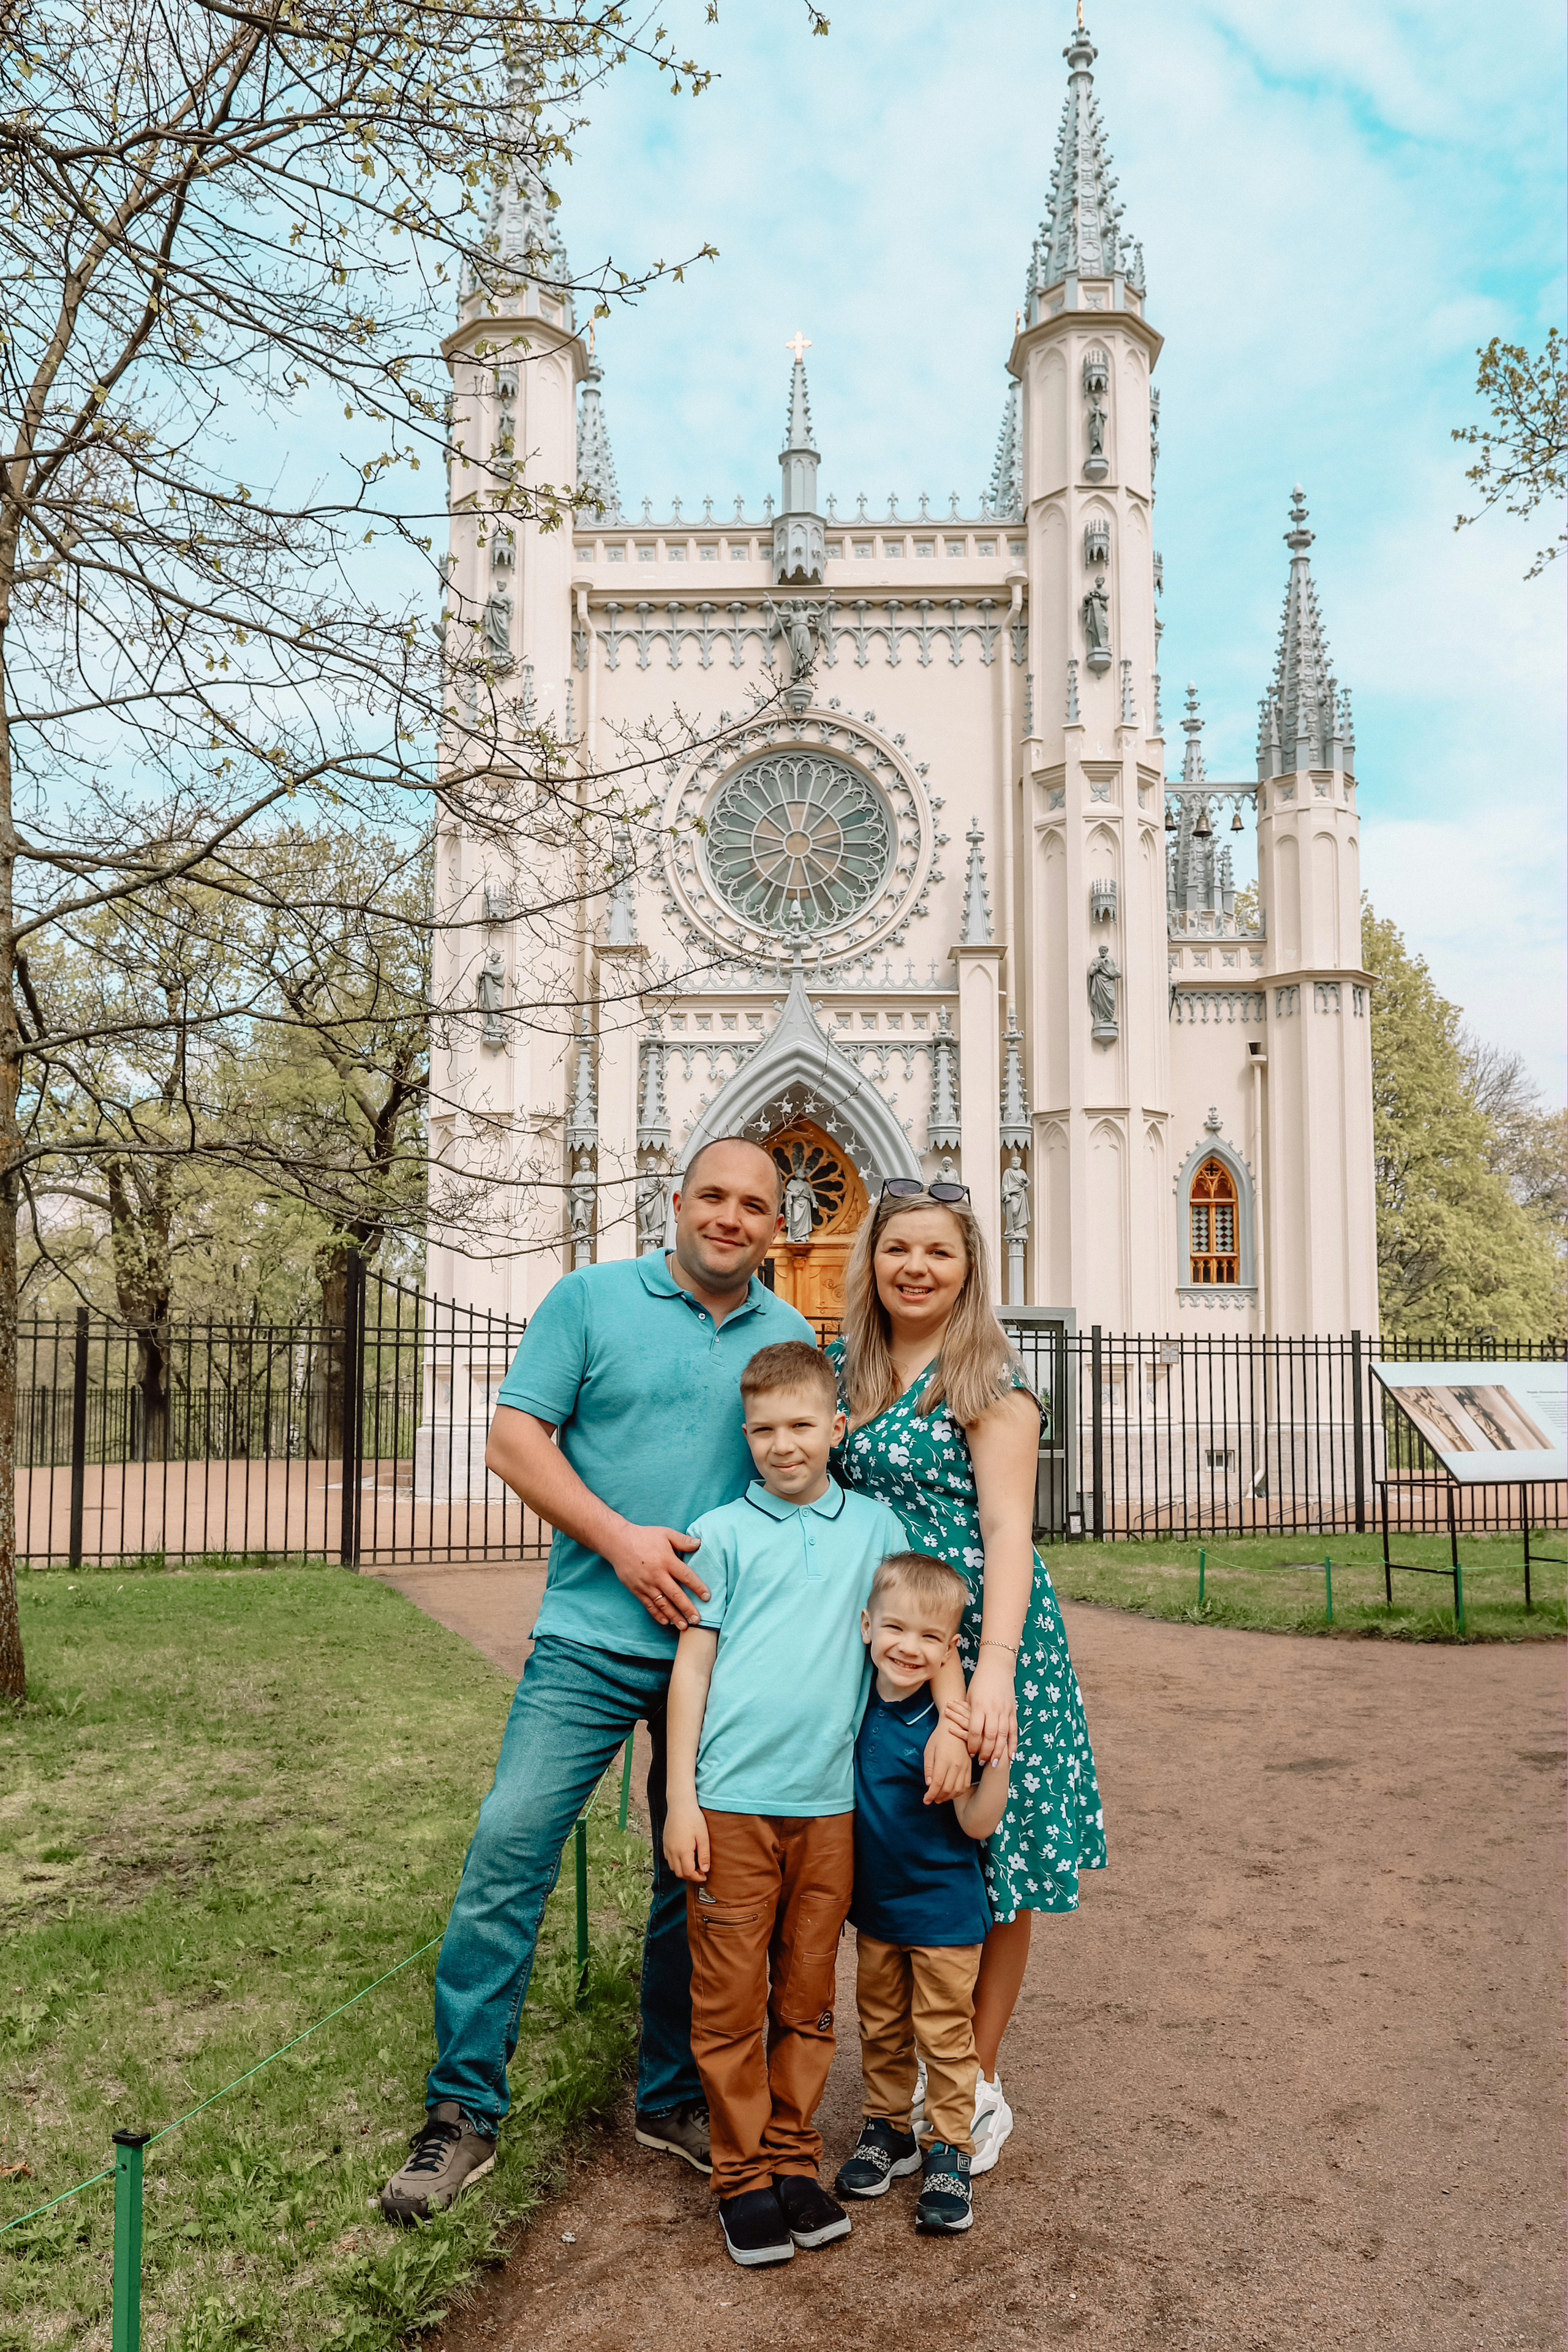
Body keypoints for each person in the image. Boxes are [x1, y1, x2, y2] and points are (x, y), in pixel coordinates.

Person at [380, 1138, 814, 2224]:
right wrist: (620, 1542)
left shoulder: (793, 1335)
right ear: (676, 1202)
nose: (730, 1217)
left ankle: (669, 2096)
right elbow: (512, 1442)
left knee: (696, 1884)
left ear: (777, 1226)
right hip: (586, 1638)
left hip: (717, 1662)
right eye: (713, 1196)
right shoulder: (588, 1298)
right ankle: (463, 2114)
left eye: (754, 1206)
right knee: (510, 1845)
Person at [662, 1340, 968, 2271]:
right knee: (726, 2000)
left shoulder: (874, 1529)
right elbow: (694, 1667)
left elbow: (930, 1622)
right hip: (730, 1804)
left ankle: (796, 2158)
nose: (782, 1445)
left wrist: (954, 1719)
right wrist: (680, 1796)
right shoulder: (721, 1533)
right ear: (745, 1434)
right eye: (763, 1430)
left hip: (829, 1810)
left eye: (801, 1426)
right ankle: (741, 2177)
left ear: (837, 1427)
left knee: (806, 1994)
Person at [829, 1182, 1106, 2176]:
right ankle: (912, 2075)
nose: (916, 1267)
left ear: (968, 1267)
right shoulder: (841, 1376)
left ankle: (975, 2085)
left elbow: (1006, 1536)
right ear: (873, 1260)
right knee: (910, 1854)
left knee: (997, 1867)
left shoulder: (988, 1382)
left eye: (938, 1253)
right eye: (898, 1248)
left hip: (991, 1642)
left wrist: (991, 1677)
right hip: (893, 1655)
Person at [834, 1550, 1011, 2237]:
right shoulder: (853, 1700)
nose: (909, 1647)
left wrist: (996, 1754)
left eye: (930, 1638)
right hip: (876, 1911)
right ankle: (886, 2132)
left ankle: (948, 2152)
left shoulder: (952, 1729)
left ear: (951, 1650)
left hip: (943, 1914)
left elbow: (975, 1823)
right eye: (896, 1629)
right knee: (879, 2027)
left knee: (943, 2037)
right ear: (866, 1626)